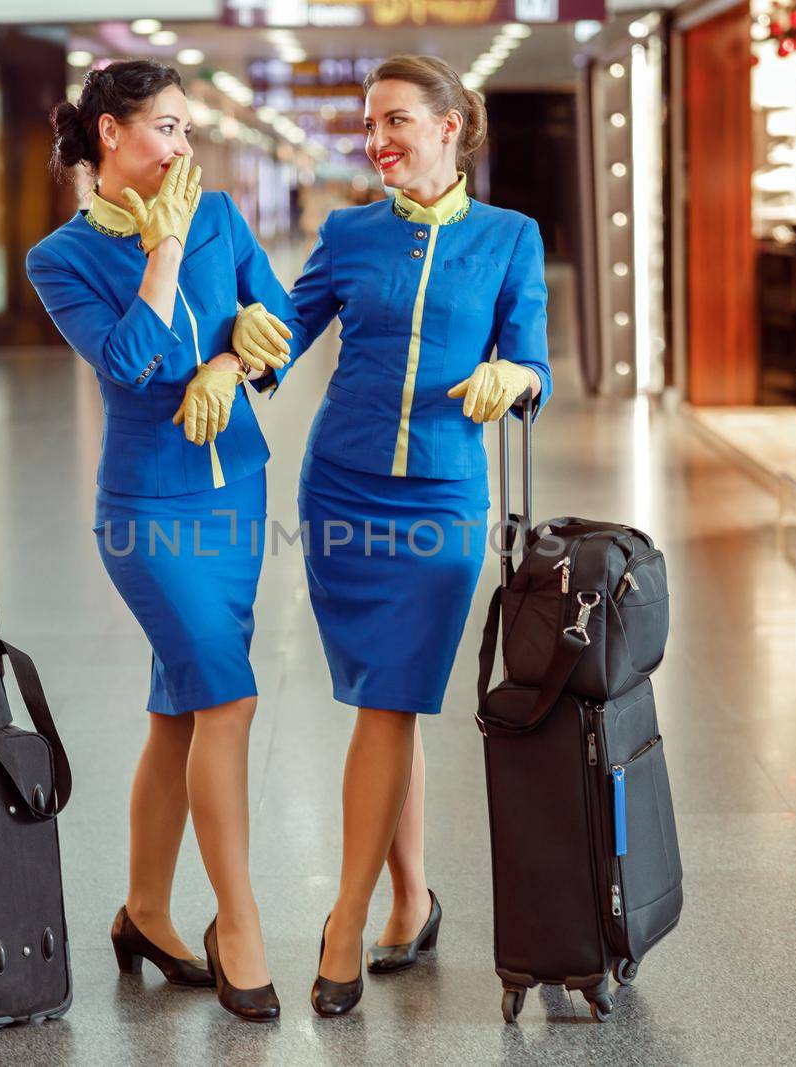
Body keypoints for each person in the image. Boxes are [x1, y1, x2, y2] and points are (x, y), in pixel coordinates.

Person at [246, 54, 551, 1017]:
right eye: (369, 124)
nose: (376, 141)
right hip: (340, 489)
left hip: (441, 505)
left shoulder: (510, 238)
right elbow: (287, 334)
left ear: (451, 126)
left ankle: (345, 915)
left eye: (395, 122)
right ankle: (412, 899)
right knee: (389, 704)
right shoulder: (347, 233)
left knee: (391, 701)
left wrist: (519, 378)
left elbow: (532, 353)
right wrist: (237, 351)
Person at [25, 59, 296, 1023]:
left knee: (179, 709)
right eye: (167, 128)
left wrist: (235, 356)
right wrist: (166, 247)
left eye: (187, 130)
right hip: (148, 509)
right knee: (227, 695)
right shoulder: (61, 258)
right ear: (110, 135)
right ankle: (241, 923)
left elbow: (284, 320)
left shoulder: (222, 213)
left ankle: (143, 910)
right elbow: (129, 361)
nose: (184, 147)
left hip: (238, 494)